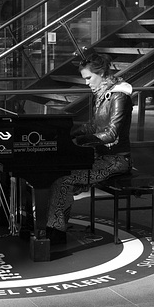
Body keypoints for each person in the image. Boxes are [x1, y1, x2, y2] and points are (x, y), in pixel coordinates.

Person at [46, 53, 134, 244]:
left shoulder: (119, 96)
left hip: (117, 160)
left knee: (64, 179)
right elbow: (94, 126)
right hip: (100, 157)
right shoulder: (102, 95)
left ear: (101, 73)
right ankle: (53, 228)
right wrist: (68, 133)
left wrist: (81, 141)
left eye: (88, 78)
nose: (86, 83)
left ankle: (55, 233)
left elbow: (112, 134)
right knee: (58, 174)